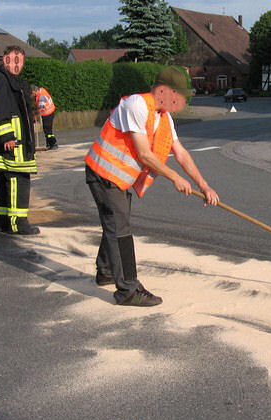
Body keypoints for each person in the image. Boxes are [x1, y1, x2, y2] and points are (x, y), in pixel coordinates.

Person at [84, 67, 220, 307]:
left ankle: (105, 270)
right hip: (102, 172)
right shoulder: (136, 105)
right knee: (120, 227)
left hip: (119, 179)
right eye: (179, 95)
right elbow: (144, 154)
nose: (181, 102)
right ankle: (127, 289)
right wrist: (175, 178)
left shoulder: (164, 117)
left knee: (116, 223)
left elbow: (181, 153)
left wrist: (205, 185)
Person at [0, 45, 40, 235]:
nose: (16, 64)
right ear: (4, 59)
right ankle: (18, 224)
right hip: (12, 144)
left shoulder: (6, 80)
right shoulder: (1, 80)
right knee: (18, 180)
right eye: (13, 59)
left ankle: (5, 221)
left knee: (5, 180)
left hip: (11, 143)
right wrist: (7, 136)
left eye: (20, 60)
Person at [31, 85, 58, 150]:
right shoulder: (41, 91)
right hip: (48, 112)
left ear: (35, 91)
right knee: (46, 129)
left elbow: (41, 107)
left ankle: (53, 143)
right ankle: (49, 144)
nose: (32, 95)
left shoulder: (41, 96)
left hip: (48, 113)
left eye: (32, 93)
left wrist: (34, 114)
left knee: (47, 130)